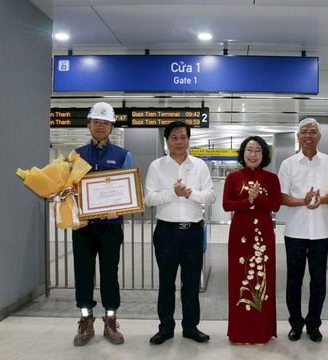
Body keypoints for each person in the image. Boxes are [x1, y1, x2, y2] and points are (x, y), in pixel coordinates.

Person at [144, 120, 216, 345]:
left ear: (188, 140)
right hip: (166, 232)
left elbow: (211, 196)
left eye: (183, 137)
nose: (179, 142)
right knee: (166, 282)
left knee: (191, 282)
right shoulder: (157, 166)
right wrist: (173, 193)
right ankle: (165, 328)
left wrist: (189, 194)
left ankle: (190, 327)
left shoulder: (200, 166)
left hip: (192, 232)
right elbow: (149, 198)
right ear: (166, 141)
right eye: (174, 137)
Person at [71, 102, 132, 346]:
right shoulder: (77, 155)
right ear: (89, 125)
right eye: (96, 122)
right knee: (83, 274)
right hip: (83, 226)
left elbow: (128, 191)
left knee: (109, 274)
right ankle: (85, 322)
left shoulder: (122, 155)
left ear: (111, 127)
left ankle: (110, 320)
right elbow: (70, 188)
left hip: (110, 226)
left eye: (105, 123)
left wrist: (119, 207)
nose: (100, 126)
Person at [278, 118, 328, 343]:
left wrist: (320, 199)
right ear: (298, 136)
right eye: (304, 132)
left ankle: (314, 324)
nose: (308, 135)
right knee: (294, 281)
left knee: (319, 281)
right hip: (295, 231)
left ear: (319, 137)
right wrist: (303, 201)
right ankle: (296, 323)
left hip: (322, 231)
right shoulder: (288, 164)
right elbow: (282, 197)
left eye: (313, 132)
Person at [222, 136, 281, 344]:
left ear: (263, 155)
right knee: (240, 278)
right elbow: (226, 205)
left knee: (263, 279)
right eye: (249, 150)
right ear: (243, 153)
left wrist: (259, 198)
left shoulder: (271, 178)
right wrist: (248, 200)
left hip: (263, 235)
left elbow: (275, 205)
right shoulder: (233, 177)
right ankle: (241, 333)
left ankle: (261, 332)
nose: (253, 154)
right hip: (240, 234)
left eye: (257, 150)